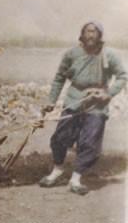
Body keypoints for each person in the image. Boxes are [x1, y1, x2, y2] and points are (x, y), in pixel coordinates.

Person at [39, 21, 126, 195]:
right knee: (60, 137)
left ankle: (76, 178)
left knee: (90, 142)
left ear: (100, 35)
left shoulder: (109, 55)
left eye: (94, 32)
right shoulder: (72, 54)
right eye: (87, 31)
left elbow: (123, 77)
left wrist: (108, 93)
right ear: (82, 34)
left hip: (96, 104)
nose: (91, 35)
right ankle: (57, 169)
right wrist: (51, 101)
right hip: (74, 99)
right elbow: (59, 79)